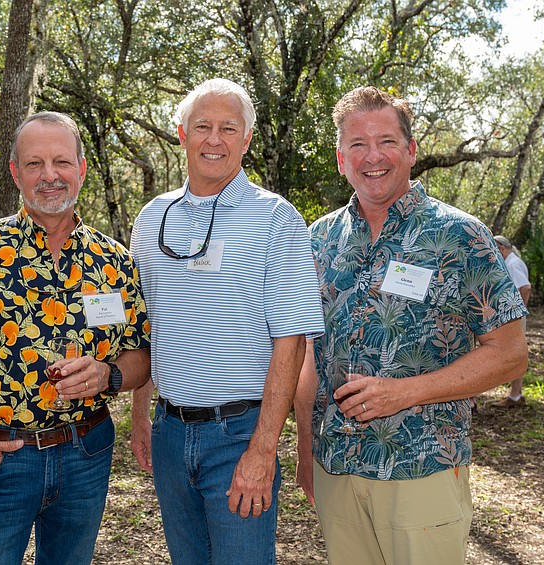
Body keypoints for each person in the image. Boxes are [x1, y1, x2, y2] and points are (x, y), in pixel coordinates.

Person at [294, 86, 529, 564]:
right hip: (336, 468)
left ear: (411, 151)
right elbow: (310, 355)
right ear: (341, 159)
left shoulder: (460, 235)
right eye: (357, 145)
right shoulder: (318, 239)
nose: (372, 156)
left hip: (421, 469)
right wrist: (304, 448)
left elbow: (510, 354)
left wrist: (406, 392)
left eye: (386, 141)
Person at [0, 111, 151, 565]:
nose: (50, 176)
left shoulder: (114, 260)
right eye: (35, 164)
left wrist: (108, 375)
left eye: (61, 162)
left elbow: (141, 354)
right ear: (16, 173)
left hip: (86, 454)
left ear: (81, 169)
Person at [129, 78, 325, 565]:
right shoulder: (152, 219)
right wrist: (140, 419)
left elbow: (291, 341)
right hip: (171, 433)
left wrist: (262, 450)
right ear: (181, 134)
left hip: (239, 435)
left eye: (227, 128)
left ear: (246, 140)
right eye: (202, 126)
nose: (213, 140)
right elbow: (145, 330)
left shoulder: (276, 218)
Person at [492, 234, 532, 407]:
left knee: (515, 353)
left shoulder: (513, 264)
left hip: (514, 316)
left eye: (494, 250)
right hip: (512, 314)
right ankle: (516, 394)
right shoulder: (512, 262)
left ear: (501, 248)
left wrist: (518, 311)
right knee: (516, 352)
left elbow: (526, 287)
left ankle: (515, 396)